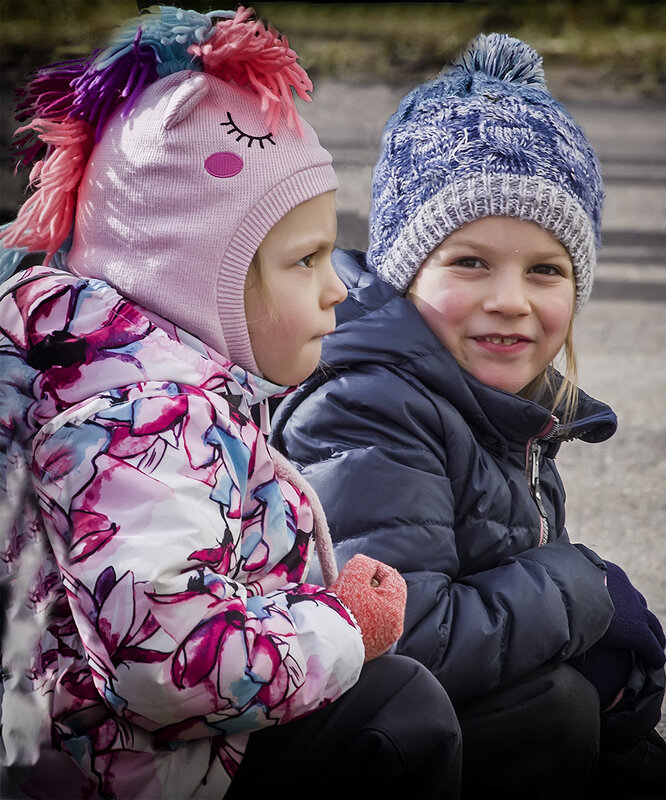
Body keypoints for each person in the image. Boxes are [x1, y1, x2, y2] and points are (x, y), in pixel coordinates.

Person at [0, 6, 461, 799]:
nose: (336, 287)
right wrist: (340, 625)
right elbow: (170, 669)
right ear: (193, 277)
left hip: (80, 750)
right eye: (305, 259)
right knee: (398, 710)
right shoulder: (145, 417)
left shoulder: (116, 377)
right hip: (133, 773)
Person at [272, 33, 666, 799]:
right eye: (470, 262)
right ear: (407, 270)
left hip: (432, 703)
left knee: (634, 764)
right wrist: (586, 587)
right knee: (555, 712)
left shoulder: (491, 400)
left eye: (545, 270)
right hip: (349, 731)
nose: (511, 298)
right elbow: (407, 634)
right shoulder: (370, 404)